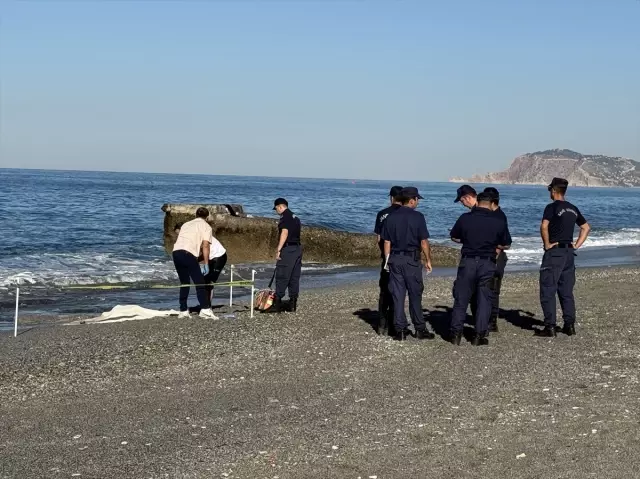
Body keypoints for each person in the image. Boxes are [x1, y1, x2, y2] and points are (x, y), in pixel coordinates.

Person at [449, 192, 512, 346]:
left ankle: (455, 334)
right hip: (487, 263)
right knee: (484, 299)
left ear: (479, 201)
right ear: (491, 204)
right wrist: (493, 244)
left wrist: (468, 239)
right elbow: (506, 244)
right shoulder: (497, 221)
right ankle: (479, 335)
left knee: (461, 298)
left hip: (468, 261)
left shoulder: (465, 218)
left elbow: (454, 236)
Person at [381, 187, 436, 341]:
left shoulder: (390, 217)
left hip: (395, 258)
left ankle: (401, 330)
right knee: (415, 294)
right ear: (412, 200)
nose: (417, 202)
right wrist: (428, 260)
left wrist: (387, 260)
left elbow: (387, 241)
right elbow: (423, 241)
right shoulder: (418, 217)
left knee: (398, 296)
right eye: (417, 199)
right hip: (411, 259)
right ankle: (419, 328)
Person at [538, 177, 591, 337]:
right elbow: (586, 227)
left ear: (553, 191)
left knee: (548, 289)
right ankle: (569, 325)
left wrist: (547, 244)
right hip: (569, 252)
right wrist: (576, 244)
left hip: (555, 252)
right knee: (566, 291)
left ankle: (550, 326)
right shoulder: (573, 208)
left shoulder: (551, 207)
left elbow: (544, 226)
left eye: (550, 191)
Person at [172, 208, 217, 319]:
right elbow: (206, 246)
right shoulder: (206, 226)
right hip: (188, 253)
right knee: (199, 282)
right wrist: (206, 263)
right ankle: (205, 309)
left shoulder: (186, 224)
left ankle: (183, 310)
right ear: (207, 217)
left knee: (184, 282)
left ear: (196, 215)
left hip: (176, 252)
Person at [373, 185, 404, 335]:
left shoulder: (382, 214)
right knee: (399, 291)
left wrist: (384, 254)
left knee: (384, 291)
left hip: (386, 257)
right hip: (403, 256)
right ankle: (395, 324)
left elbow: (379, 238)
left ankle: (381, 324)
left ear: (391, 197)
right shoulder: (409, 214)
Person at [177, 222, 229, 304]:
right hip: (210, 257)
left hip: (219, 256)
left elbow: (205, 249)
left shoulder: (195, 236)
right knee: (203, 281)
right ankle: (205, 305)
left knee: (209, 283)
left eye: (179, 233)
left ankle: (207, 306)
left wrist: (205, 264)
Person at [268, 198, 303, 314]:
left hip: (288, 249)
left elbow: (285, 232)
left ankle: (277, 304)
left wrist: (278, 249)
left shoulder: (285, 217)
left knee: (282, 275)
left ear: (279, 206)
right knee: (294, 276)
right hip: (297, 248)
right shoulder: (295, 217)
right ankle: (293, 304)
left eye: (276, 209)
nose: (276, 211)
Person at [483, 187, 509, 332]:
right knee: (492, 289)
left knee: (491, 289)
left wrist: (496, 253)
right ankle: (490, 320)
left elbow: (502, 241)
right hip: (496, 256)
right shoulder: (499, 215)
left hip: (495, 257)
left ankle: (491, 321)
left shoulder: (497, 216)